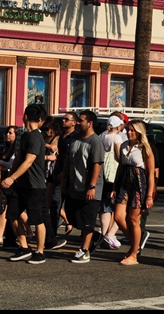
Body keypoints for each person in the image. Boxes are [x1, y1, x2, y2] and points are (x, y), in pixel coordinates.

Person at [2, 104, 48, 264]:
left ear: (25, 116)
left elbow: (29, 161)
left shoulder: (36, 137)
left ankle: (40, 252)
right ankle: (24, 247)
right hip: (21, 185)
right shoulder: (26, 136)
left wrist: (11, 178)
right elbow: (20, 158)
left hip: (35, 186)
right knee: (12, 215)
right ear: (40, 119)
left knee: (37, 219)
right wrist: (9, 176)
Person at [61, 110, 105, 264]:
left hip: (90, 189)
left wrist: (92, 186)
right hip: (74, 186)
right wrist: (63, 178)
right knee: (74, 217)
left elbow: (97, 165)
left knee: (87, 220)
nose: (78, 123)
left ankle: (85, 250)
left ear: (90, 123)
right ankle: (95, 236)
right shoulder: (76, 139)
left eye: (81, 120)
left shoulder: (95, 142)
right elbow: (68, 159)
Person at [114, 120, 156, 265]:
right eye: (128, 129)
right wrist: (115, 186)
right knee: (118, 217)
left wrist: (149, 195)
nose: (129, 132)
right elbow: (120, 166)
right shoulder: (124, 146)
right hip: (124, 182)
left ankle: (133, 253)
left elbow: (150, 173)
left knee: (133, 220)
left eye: (132, 130)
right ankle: (136, 242)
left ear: (139, 132)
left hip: (139, 183)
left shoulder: (145, 148)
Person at [98, 114, 125, 250]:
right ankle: (110, 234)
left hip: (103, 173)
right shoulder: (117, 137)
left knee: (105, 207)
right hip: (114, 174)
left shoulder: (102, 136)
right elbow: (119, 155)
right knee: (119, 206)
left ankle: (103, 235)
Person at [43, 116, 68, 251]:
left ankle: (60, 225)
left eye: (48, 129)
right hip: (46, 171)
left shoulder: (58, 138)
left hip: (53, 171)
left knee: (51, 202)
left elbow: (57, 154)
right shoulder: (46, 139)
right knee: (49, 202)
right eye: (44, 129)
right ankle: (64, 222)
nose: (46, 132)